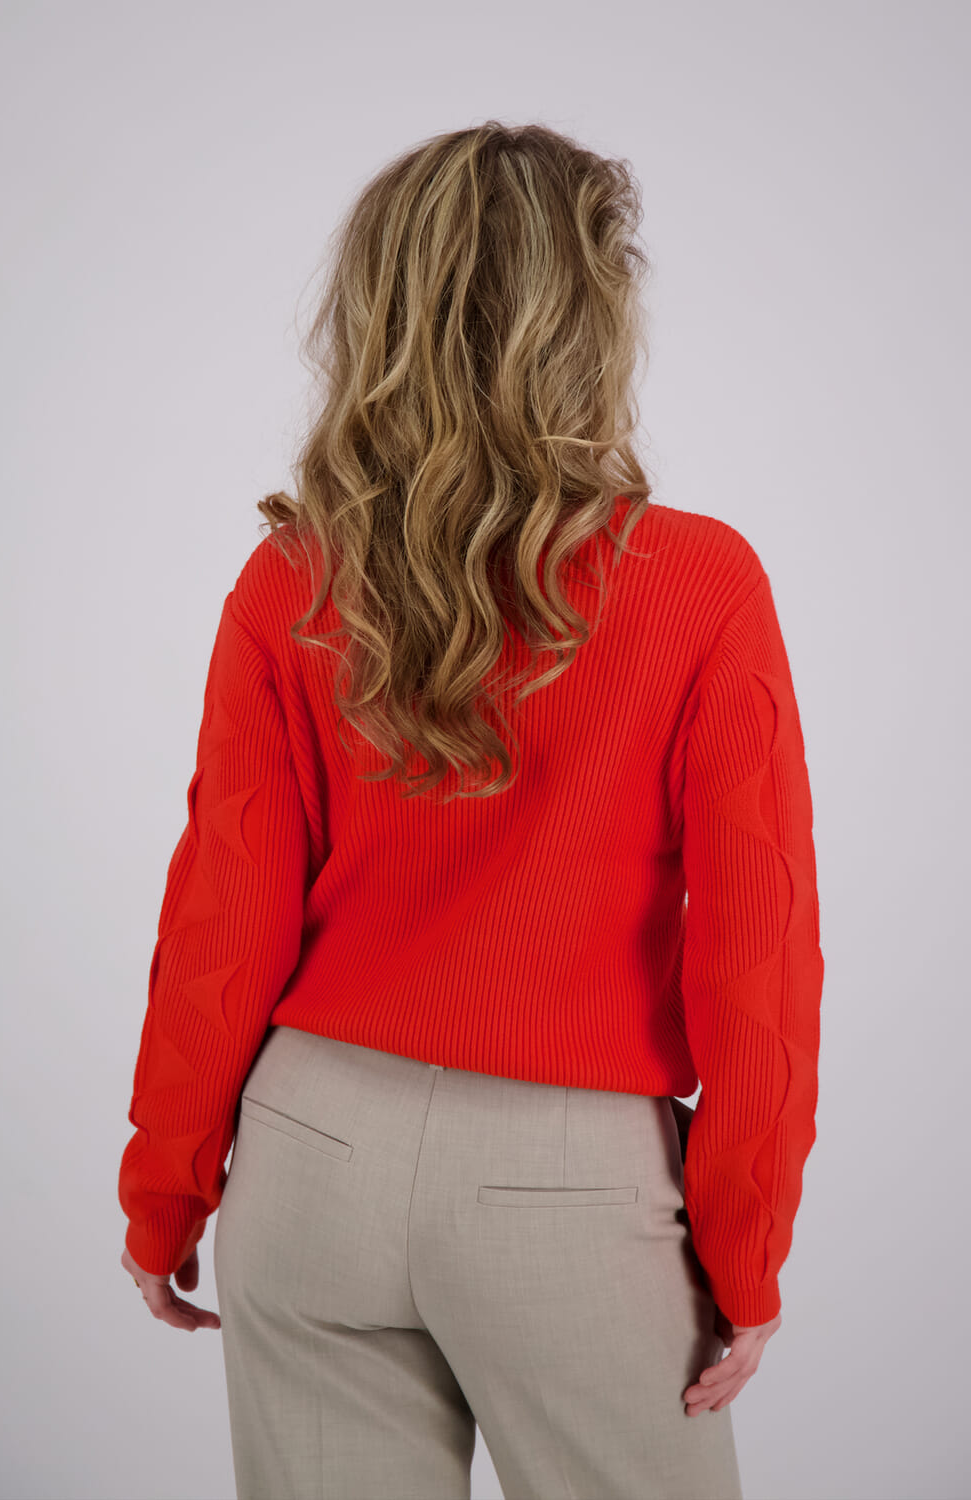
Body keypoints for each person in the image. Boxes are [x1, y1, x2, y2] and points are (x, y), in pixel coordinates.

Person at [117, 119, 823, 1500]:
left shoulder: (295, 579)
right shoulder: (699, 584)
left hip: (309, 1152)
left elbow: (220, 922)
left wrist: (166, 1191)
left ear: (377, 312)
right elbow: (757, 957)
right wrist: (748, 1251)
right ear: (593, 319)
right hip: (572, 1184)